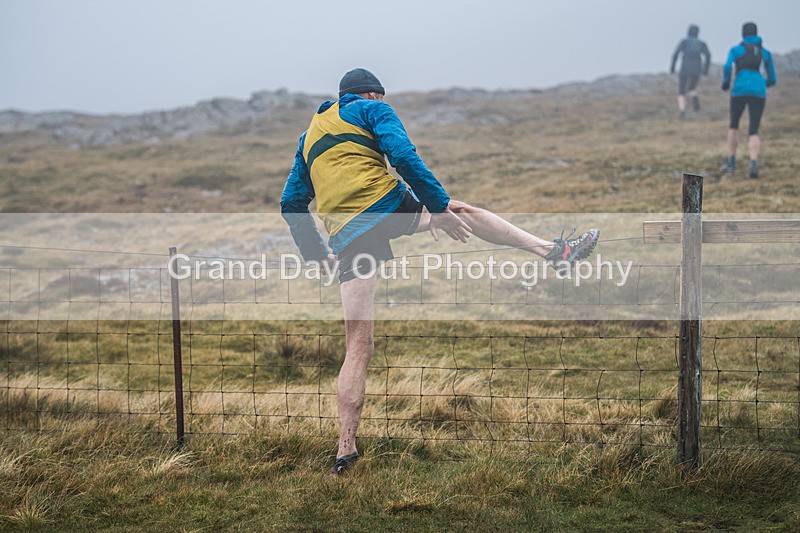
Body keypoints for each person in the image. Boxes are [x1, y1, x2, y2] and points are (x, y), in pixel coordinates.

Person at [280, 68, 599, 475]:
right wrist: (437, 205)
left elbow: (291, 202)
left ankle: (345, 449)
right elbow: (402, 156)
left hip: (346, 235)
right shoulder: (372, 110)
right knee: (461, 210)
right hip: (384, 206)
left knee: (357, 345)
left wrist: (314, 254)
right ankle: (553, 251)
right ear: (373, 94)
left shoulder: (309, 137)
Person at [720, 22, 777, 179]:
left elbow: (726, 66)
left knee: (734, 125)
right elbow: (772, 76)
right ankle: (753, 163)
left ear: (743, 34)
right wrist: (767, 83)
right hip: (759, 91)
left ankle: (731, 161)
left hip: (739, 89)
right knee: (754, 129)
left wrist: (726, 82)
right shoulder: (764, 52)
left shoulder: (736, 50)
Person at [670, 24, 711, 119]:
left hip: (685, 68)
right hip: (697, 69)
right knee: (692, 88)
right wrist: (705, 70)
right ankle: (694, 98)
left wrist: (672, 68)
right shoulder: (701, 43)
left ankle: (682, 111)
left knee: (681, 91)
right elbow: (708, 56)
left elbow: (675, 54)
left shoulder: (684, 42)